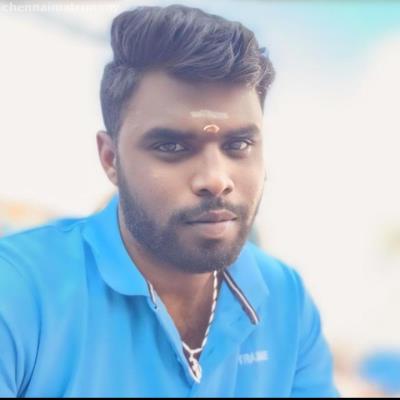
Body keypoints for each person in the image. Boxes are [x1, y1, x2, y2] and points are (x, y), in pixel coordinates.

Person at [0, 5, 339, 397]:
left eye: (239, 144)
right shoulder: (19, 292)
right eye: (172, 146)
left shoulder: (285, 299)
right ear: (110, 159)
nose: (216, 179)